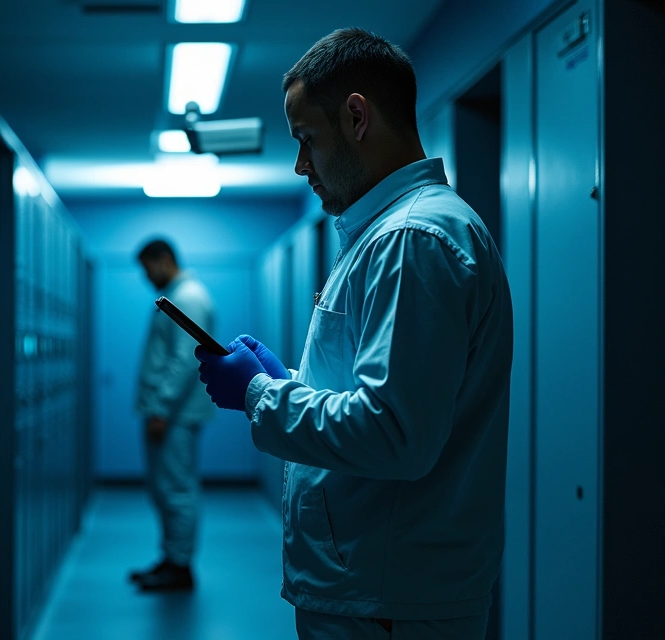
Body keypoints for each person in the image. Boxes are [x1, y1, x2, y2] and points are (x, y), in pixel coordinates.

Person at [194, 29, 513, 639]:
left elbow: (395, 435)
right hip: (377, 588)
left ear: (357, 117)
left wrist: (261, 395)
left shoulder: (412, 239)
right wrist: (288, 382)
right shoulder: (392, 233)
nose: (300, 164)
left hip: (388, 596)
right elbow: (386, 403)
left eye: (306, 139)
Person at [130, 238, 217, 592]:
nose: (146, 277)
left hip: (175, 414)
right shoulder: (181, 295)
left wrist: (161, 408)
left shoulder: (189, 297)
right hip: (169, 412)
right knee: (165, 489)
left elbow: (184, 359)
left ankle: (180, 567)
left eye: (148, 268)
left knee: (176, 489)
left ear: (163, 260)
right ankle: (170, 558)